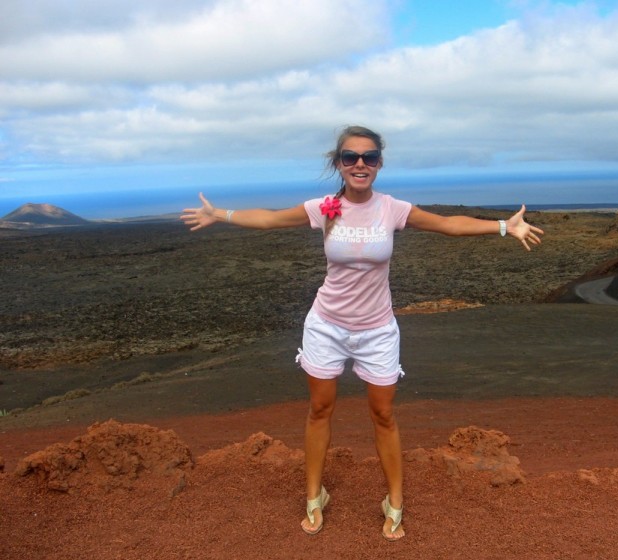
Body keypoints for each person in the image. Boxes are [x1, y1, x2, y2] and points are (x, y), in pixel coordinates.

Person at [181, 125, 544, 541]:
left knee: (384, 414)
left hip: (377, 331)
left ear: (379, 164)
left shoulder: (390, 209)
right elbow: (269, 219)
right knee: (320, 410)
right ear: (338, 163)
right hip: (326, 325)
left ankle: (394, 503)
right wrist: (219, 214)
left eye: (369, 157)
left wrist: (503, 226)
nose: (360, 164)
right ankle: (314, 496)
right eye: (351, 157)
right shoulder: (325, 207)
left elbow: (447, 224)